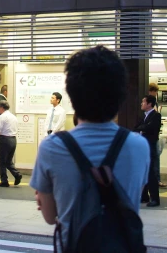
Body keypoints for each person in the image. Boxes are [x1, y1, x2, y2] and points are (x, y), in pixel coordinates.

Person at [30, 46, 150, 250]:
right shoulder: (139, 146)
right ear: (120, 97)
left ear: (71, 95)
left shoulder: (52, 147)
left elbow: (50, 217)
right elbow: (132, 199)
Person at [135, 94, 161, 207]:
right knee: (143, 172)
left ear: (149, 104)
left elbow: (150, 128)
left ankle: (155, 198)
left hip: (150, 147)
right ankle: (144, 196)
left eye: (143, 102)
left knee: (151, 173)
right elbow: (136, 128)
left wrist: (143, 128)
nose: (141, 104)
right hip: (142, 148)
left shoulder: (156, 116)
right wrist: (143, 128)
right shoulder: (143, 116)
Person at [0, 100, 22, 187]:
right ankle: (17, 174)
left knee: (2, 161)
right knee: (8, 161)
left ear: (2, 107)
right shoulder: (13, 117)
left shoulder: (2, 117)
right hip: (13, 139)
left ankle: (4, 181)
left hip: (4, 139)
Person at [148, 83, 167, 188]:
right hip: (152, 135)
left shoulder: (155, 104)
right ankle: (156, 180)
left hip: (155, 135)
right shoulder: (151, 104)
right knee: (155, 157)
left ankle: (157, 179)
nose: (156, 94)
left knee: (155, 157)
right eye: (155, 91)